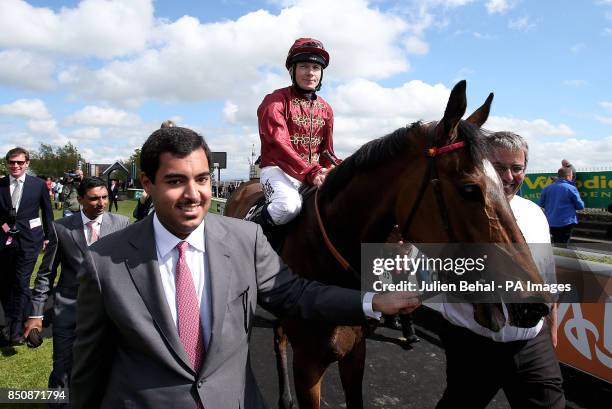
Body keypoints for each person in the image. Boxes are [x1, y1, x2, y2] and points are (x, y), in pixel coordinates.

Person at [71, 126, 419, 409]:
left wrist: (373, 301)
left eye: (203, 179)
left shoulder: (247, 239)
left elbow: (297, 294)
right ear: (148, 184)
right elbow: (87, 371)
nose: (194, 194)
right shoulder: (102, 262)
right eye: (176, 181)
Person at [434, 132, 565, 409]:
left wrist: (552, 325)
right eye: (499, 167)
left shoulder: (535, 213)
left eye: (516, 168)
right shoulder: (452, 213)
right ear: (481, 166)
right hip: (472, 345)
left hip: (531, 342)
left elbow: (546, 275)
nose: (508, 176)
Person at [23, 177, 129, 406]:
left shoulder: (122, 224)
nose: (101, 203)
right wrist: (36, 314)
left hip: (111, 313)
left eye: (104, 197)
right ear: (80, 199)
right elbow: (45, 274)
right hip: (69, 310)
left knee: (107, 368)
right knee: (63, 370)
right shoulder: (61, 228)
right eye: (94, 198)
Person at [254, 37, 340, 227]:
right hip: (277, 170)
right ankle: (248, 233)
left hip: (313, 172)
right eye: (303, 66)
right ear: (292, 70)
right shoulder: (275, 101)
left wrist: (340, 169)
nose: (310, 73)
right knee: (288, 207)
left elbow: (327, 152)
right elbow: (278, 143)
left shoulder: (326, 108)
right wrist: (311, 171)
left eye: (316, 68)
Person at [0, 147, 54, 345]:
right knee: (5, 283)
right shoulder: (1, 184)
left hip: (30, 241)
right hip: (4, 242)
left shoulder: (38, 185)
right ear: (7, 163)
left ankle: (15, 330)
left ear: (27, 164)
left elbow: (47, 212)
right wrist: (5, 227)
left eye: (20, 162)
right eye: (12, 162)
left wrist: (49, 236)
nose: (15, 166)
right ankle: (13, 321)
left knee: (21, 282)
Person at [539, 167, 585, 245]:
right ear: (568, 176)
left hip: (551, 221)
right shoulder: (571, 188)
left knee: (556, 242)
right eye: (571, 175)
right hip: (566, 222)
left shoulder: (547, 188)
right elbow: (580, 206)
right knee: (564, 244)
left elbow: (541, 204)